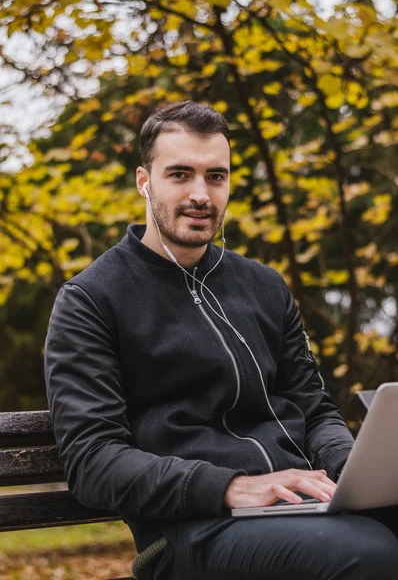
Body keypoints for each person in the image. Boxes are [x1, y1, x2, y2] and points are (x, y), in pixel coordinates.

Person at [45, 101, 398, 580]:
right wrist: (234, 487)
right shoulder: (91, 300)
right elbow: (93, 459)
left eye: (215, 176)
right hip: (189, 530)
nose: (201, 194)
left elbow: (314, 411)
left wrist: (352, 474)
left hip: (302, 508)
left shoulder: (264, 287)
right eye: (180, 175)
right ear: (144, 182)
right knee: (371, 555)